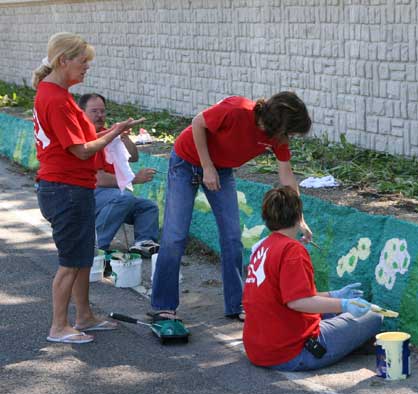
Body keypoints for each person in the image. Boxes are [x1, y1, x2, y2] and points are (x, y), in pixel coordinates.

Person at [151, 92, 312, 322]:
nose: (289, 138)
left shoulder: (278, 137)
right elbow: (198, 123)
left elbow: (287, 176)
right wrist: (207, 167)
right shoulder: (238, 110)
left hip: (222, 168)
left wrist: (299, 218)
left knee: (232, 237)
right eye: (290, 132)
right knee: (175, 235)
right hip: (186, 160)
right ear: (280, 123)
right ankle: (163, 305)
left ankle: (236, 304)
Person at [31, 32, 142, 344]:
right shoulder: (56, 98)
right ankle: (58, 326)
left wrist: (111, 131)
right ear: (63, 61)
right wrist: (114, 134)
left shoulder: (55, 92)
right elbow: (80, 150)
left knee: (82, 257)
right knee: (70, 261)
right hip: (65, 188)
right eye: (83, 61)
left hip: (71, 187)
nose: (87, 67)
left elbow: (80, 140)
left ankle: (83, 316)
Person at [243, 186, 383, 370]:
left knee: (336, 311)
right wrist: (344, 304)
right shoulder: (292, 250)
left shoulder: (263, 247)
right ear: (298, 216)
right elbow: (298, 302)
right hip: (291, 352)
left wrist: (334, 295)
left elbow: (287, 296)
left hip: (257, 348)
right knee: (374, 316)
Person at [78, 93, 160, 257]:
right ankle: (95, 245)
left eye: (102, 111)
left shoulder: (107, 133)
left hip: (109, 195)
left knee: (147, 206)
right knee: (123, 197)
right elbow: (99, 179)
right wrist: (134, 179)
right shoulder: (83, 137)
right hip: (86, 194)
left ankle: (143, 243)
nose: (100, 115)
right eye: (94, 111)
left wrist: (123, 136)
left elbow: (134, 157)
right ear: (82, 113)